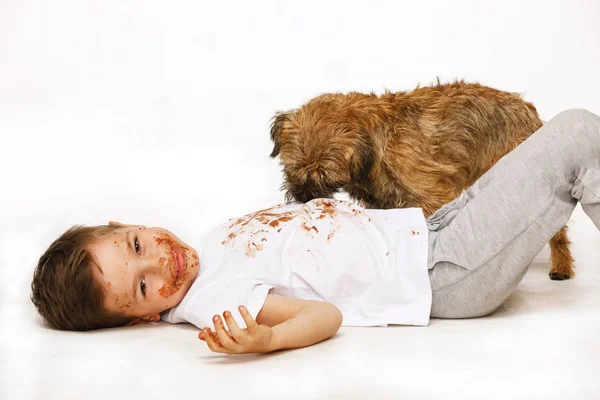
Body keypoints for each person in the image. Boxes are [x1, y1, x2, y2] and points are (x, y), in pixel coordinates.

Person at [31, 109, 600, 355]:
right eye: (144, 287)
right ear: (146, 318)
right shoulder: (214, 302)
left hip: (429, 233)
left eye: (136, 246)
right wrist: (268, 339)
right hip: (442, 273)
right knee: (575, 138)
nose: (160, 264)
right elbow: (322, 316)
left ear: (124, 222)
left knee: (549, 150)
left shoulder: (211, 241)